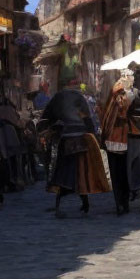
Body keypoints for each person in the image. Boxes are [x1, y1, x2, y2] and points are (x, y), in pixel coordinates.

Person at [42, 78, 109, 216]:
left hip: (66, 138)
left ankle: (61, 204)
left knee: (64, 171)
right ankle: (84, 203)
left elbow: (47, 116)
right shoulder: (79, 98)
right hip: (80, 138)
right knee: (80, 172)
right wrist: (92, 135)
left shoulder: (58, 97)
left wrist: (51, 129)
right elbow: (87, 119)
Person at [100, 73, 140, 215]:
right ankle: (122, 204)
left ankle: (124, 203)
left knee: (127, 172)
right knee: (121, 173)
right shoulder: (119, 94)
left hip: (127, 138)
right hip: (118, 139)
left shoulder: (125, 94)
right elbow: (120, 112)